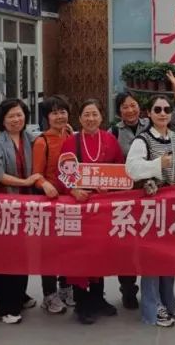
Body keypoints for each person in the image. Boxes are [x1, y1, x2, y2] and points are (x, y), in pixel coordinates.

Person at [111, 75, 175, 310]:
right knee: (133, 250)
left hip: (164, 202)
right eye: (125, 107)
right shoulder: (119, 133)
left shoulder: (167, 133)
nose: (130, 110)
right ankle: (135, 294)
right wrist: (155, 166)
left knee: (163, 252)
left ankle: (165, 298)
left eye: (133, 105)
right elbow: (124, 166)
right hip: (133, 197)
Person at [125, 94, 175, 328]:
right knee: (152, 259)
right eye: (157, 109)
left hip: (172, 207)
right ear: (149, 113)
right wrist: (157, 165)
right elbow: (131, 168)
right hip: (150, 207)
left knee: (169, 257)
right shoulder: (142, 140)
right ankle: (152, 306)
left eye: (166, 109)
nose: (163, 113)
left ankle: (168, 298)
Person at [61, 99, 125, 325]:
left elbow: (120, 171)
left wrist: (111, 186)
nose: (90, 119)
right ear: (79, 118)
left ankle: (98, 298)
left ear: (101, 117)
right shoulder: (71, 142)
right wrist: (73, 189)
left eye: (94, 114)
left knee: (100, 253)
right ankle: (82, 302)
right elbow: (63, 173)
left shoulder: (110, 140)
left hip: (102, 209)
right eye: (86, 114)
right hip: (79, 208)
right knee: (80, 255)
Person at [0, 98, 46, 324]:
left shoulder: (30, 138)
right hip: (5, 208)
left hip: (26, 207)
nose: (16, 119)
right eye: (10, 116)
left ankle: (18, 297)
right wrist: (25, 181)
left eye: (19, 114)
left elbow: (47, 145)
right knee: (5, 256)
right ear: (2, 119)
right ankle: (4, 308)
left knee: (22, 254)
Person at [31, 95, 71, 315]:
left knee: (67, 247)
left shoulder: (72, 136)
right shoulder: (42, 142)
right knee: (49, 251)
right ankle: (49, 295)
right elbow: (36, 175)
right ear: (47, 117)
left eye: (63, 111)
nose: (60, 116)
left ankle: (65, 287)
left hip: (70, 203)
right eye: (54, 113)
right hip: (49, 204)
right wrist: (45, 184)